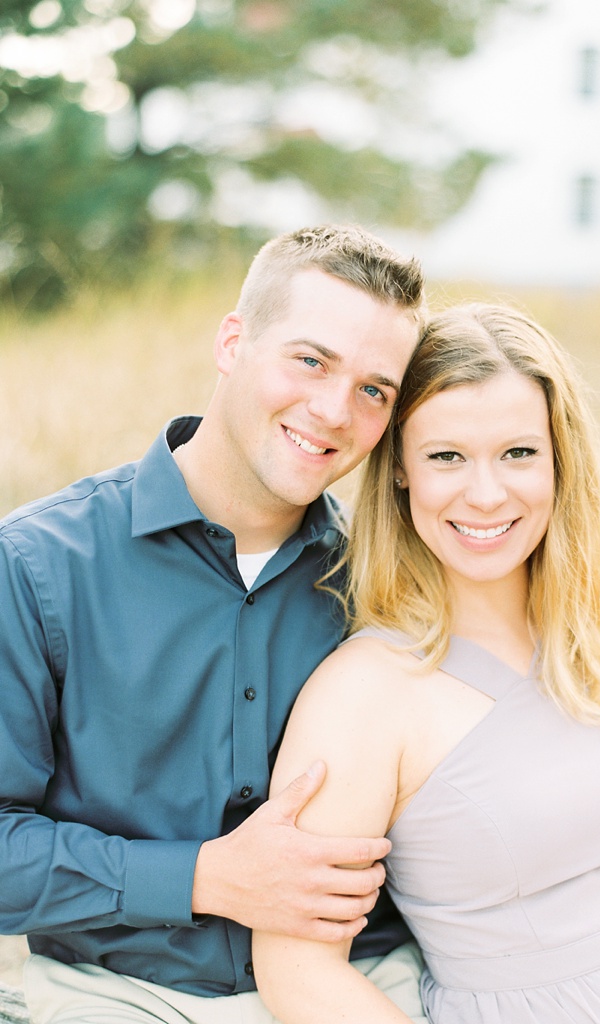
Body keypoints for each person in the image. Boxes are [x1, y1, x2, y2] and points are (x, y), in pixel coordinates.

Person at [251, 302, 600, 1023]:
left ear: (560, 460)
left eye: (518, 453)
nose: (486, 493)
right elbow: (296, 972)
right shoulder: (361, 695)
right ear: (400, 472)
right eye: (446, 457)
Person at [0, 224, 430, 1022]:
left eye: (374, 389)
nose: (333, 410)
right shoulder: (36, 566)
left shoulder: (395, 584)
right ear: (232, 342)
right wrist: (203, 877)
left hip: (371, 989)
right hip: (121, 996)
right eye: (310, 360)